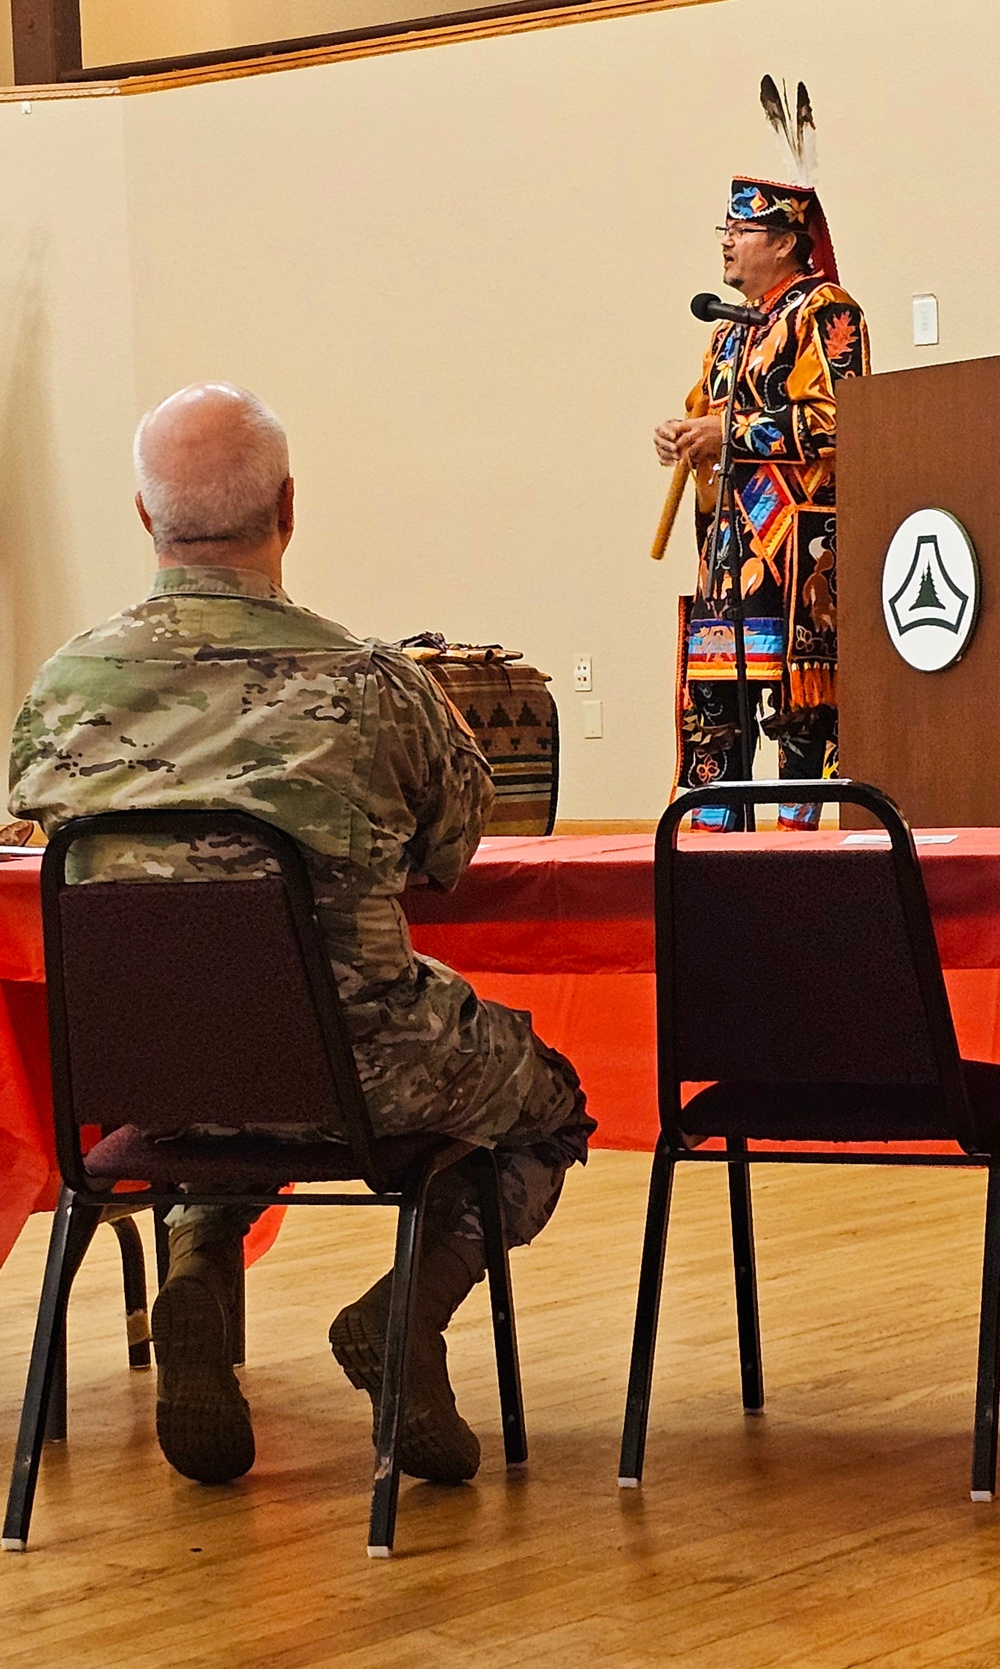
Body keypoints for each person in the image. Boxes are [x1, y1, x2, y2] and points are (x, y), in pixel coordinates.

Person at [8, 382, 593, 1488]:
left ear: (144, 517)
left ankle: (195, 1250)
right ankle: (401, 1315)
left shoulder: (61, 687)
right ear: (287, 506)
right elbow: (454, 848)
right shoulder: (372, 686)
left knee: (226, 1061)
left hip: (148, 1071)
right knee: (548, 1109)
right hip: (361, 1071)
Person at [655, 177, 870, 830]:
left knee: (801, 718)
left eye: (739, 231)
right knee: (718, 708)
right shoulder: (727, 330)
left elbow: (840, 418)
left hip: (797, 550)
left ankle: (801, 854)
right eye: (723, 229)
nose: (726, 242)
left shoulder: (827, 310)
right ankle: (713, 858)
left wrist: (729, 431)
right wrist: (684, 431)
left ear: (783, 242)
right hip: (728, 547)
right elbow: (709, 407)